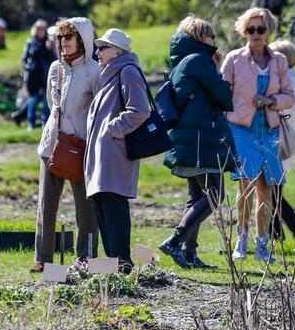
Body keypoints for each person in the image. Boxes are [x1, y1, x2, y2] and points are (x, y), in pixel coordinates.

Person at [158, 16, 236, 269]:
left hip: (190, 138)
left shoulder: (182, 61)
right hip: (202, 139)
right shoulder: (198, 60)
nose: (213, 41)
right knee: (215, 194)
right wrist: (218, 67)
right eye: (210, 36)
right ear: (201, 37)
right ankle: (175, 240)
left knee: (196, 197)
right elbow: (225, 96)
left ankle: (188, 253)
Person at [220, 8, 295, 263]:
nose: (255, 34)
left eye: (260, 29)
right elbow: (222, 94)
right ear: (243, 31)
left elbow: (290, 97)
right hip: (241, 129)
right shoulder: (234, 59)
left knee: (268, 189)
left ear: (268, 31)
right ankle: (241, 239)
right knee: (246, 184)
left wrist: (272, 100)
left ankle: (262, 244)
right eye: (250, 29)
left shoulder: (279, 62)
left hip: (269, 131)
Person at [31, 17, 101, 273]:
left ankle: (86, 257)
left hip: (81, 145)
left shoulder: (95, 71)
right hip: (52, 143)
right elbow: (52, 104)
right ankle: (43, 258)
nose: (64, 42)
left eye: (69, 37)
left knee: (86, 208)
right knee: (46, 205)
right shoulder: (54, 68)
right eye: (61, 38)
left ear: (82, 39)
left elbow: (97, 109)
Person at [85, 28, 151, 274]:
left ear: (117, 51)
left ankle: (123, 266)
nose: (98, 51)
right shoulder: (109, 74)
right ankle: (114, 266)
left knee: (114, 207)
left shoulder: (128, 71)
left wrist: (112, 129)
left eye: (103, 47)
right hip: (103, 155)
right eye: (98, 47)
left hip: (116, 154)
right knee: (103, 208)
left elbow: (140, 110)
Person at [268, 40, 295, 241]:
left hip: (279, 138)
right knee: (272, 191)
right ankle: (277, 234)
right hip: (285, 136)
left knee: (273, 191)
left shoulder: (288, 80)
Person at [22, 19, 57, 130]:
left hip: (46, 75)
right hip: (33, 75)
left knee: (46, 100)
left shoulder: (49, 42)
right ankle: (30, 122)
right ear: (35, 31)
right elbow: (24, 58)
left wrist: (50, 49)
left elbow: (54, 59)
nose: (41, 32)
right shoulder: (30, 42)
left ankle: (45, 122)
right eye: (39, 30)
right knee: (33, 99)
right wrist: (28, 68)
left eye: (43, 30)